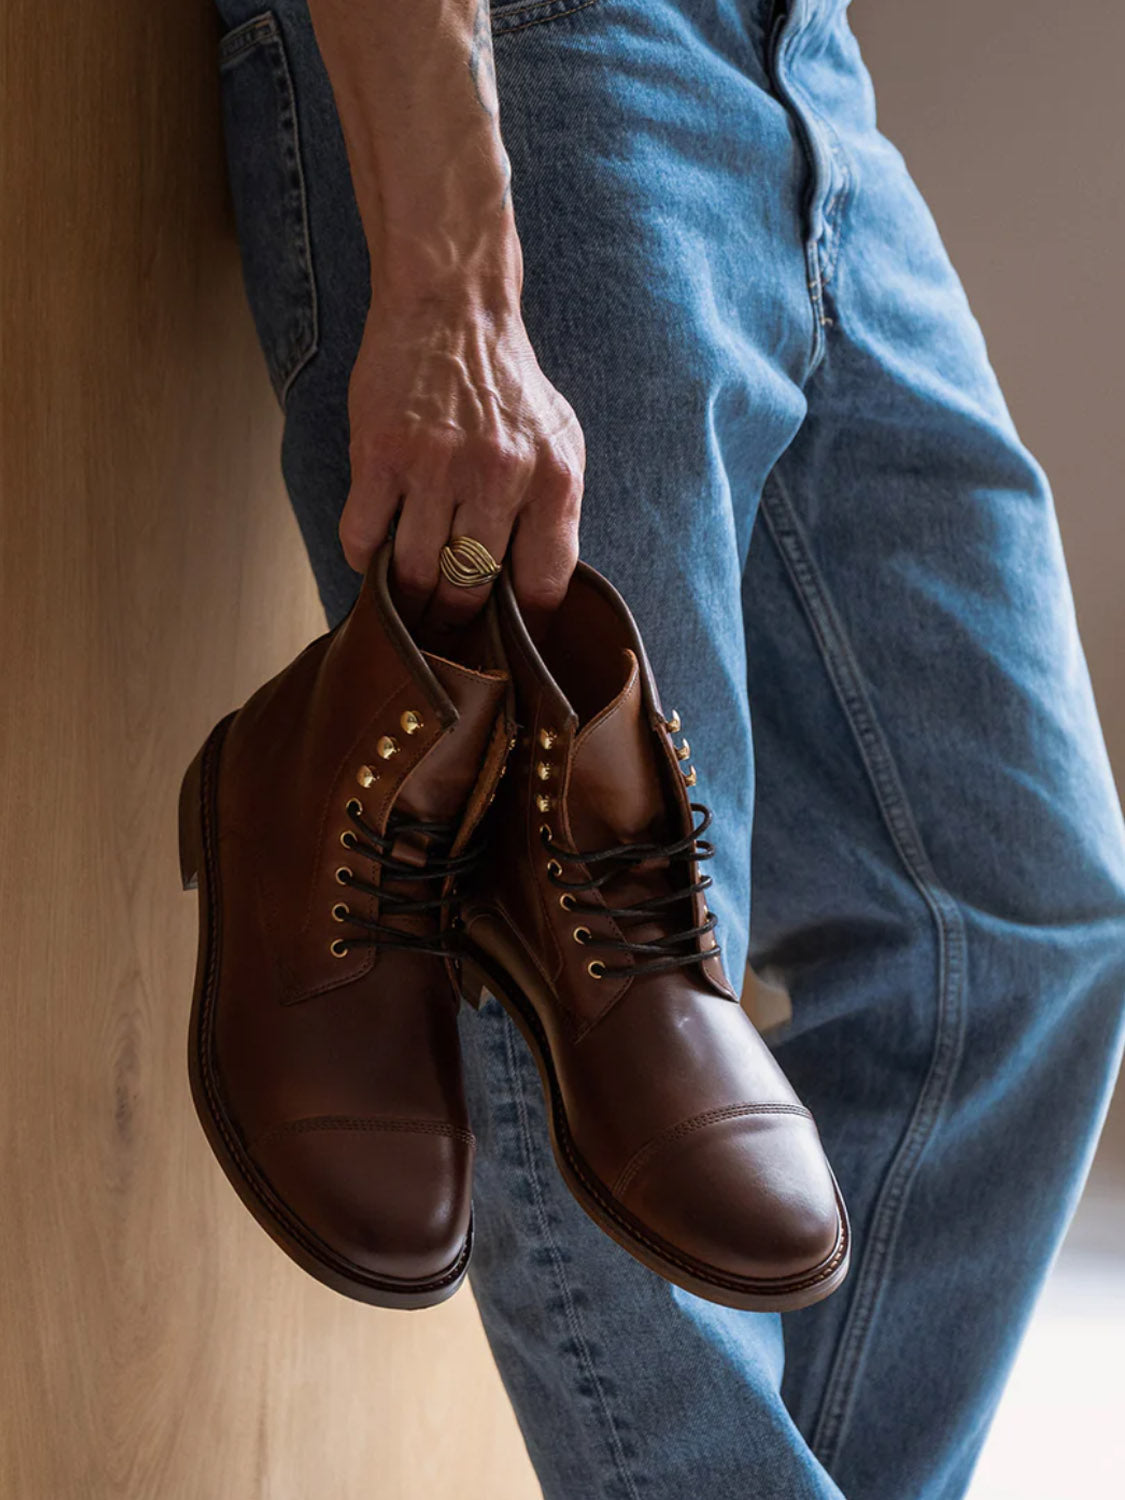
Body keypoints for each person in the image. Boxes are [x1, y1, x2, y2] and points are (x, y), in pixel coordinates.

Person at [210, 1, 1125, 1494]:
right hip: (533, 57)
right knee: (592, 975)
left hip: (800, 66)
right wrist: (448, 284)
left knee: (1019, 928)